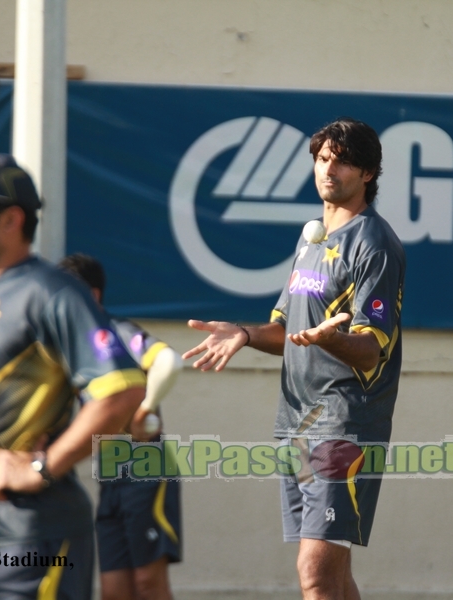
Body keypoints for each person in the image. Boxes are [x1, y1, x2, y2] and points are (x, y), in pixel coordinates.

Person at [183, 118, 405, 600]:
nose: (330, 169)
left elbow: (370, 349)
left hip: (344, 421)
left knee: (315, 571)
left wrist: (329, 339)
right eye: (323, 158)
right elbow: (288, 332)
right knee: (335, 574)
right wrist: (243, 333)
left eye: (344, 160)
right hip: (296, 421)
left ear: (368, 172)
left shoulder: (374, 242)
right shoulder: (311, 240)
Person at [0, 153, 152, 599]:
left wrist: (41, 468)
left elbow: (123, 389)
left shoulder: (49, 291)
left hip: (30, 543)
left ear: (11, 220)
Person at [59, 253, 183, 600]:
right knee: (114, 591)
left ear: (93, 295)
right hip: (109, 475)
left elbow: (168, 362)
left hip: (147, 467)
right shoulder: (70, 345)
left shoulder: (117, 331)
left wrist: (144, 408)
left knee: (148, 584)